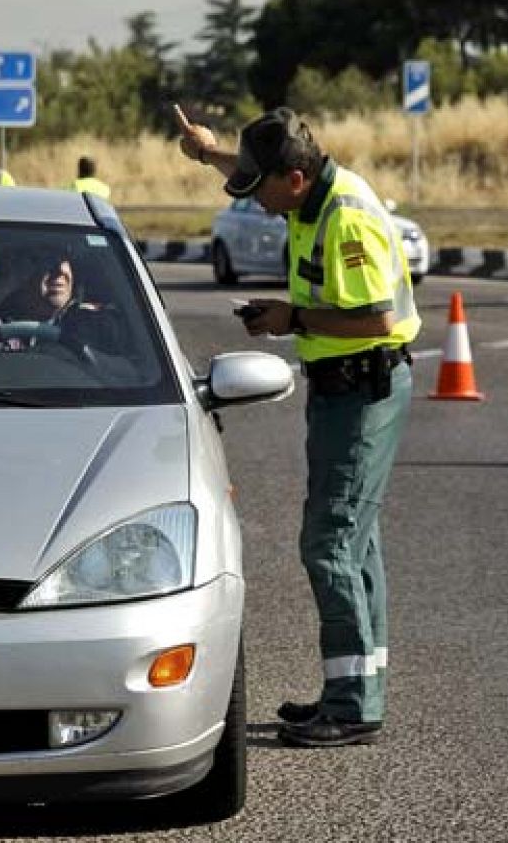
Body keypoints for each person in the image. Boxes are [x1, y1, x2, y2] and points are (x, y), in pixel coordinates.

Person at [173, 103, 420, 748]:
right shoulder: (307, 194)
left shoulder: (346, 220)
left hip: (363, 386)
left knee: (329, 543)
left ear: (297, 179)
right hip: (342, 387)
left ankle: (352, 705)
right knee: (355, 544)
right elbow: (252, 171)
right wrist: (208, 153)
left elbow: (374, 318)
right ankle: (358, 689)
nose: (256, 205)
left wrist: (292, 320)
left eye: (263, 191)